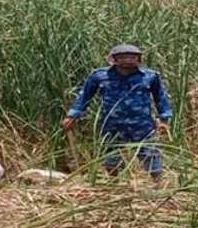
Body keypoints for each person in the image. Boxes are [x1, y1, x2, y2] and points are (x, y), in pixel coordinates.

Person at [62, 44, 173, 181]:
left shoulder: (150, 76)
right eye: (123, 57)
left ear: (139, 59)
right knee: (111, 156)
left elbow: (161, 98)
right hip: (112, 124)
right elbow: (84, 96)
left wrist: (164, 119)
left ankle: (159, 182)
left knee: (150, 153)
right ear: (114, 59)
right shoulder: (100, 76)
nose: (128, 60)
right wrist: (72, 115)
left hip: (142, 124)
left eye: (132, 57)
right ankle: (113, 183)